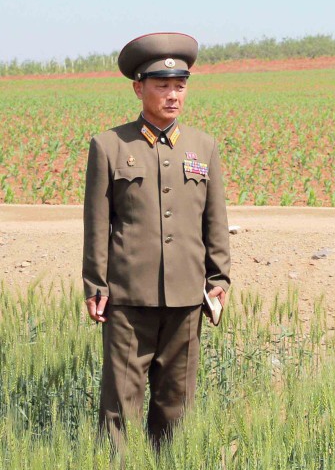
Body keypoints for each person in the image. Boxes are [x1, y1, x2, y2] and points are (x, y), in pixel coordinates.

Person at [82, 32, 230, 448]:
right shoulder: (110, 146)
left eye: (179, 86)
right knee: (120, 409)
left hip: (187, 296)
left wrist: (220, 278)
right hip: (128, 297)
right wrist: (96, 286)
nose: (172, 95)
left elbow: (215, 219)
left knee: (176, 406)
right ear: (138, 88)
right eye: (161, 85)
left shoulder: (204, 146)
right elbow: (96, 225)